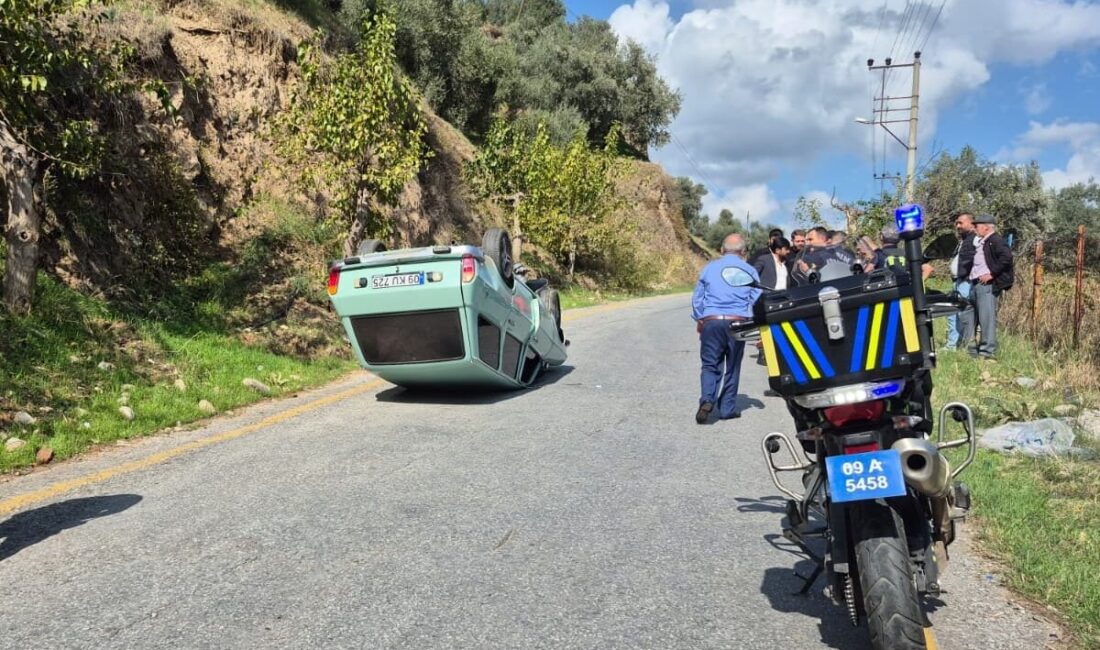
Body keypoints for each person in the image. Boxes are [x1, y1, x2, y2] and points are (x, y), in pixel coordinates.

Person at [692, 233, 761, 423]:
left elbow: (698, 297)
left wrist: (700, 318)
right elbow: (756, 295)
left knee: (709, 364)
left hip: (712, 320)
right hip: (737, 321)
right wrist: (748, 314)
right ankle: (727, 409)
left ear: (722, 250)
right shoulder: (749, 270)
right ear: (743, 252)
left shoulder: (709, 268)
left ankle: (707, 399)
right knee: (732, 366)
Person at [957, 214, 1014, 358]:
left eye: (976, 226)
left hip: (987, 285)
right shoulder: (983, 242)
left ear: (986, 227)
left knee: (986, 318)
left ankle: (987, 352)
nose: (974, 229)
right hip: (974, 284)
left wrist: (992, 273)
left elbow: (1007, 258)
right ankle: (971, 350)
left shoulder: (996, 240)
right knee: (968, 313)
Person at [943, 213, 977, 351]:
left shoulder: (976, 240)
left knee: (962, 314)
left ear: (971, 223)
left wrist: (971, 275)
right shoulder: (963, 240)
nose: (957, 226)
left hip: (965, 282)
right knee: (953, 313)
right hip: (957, 281)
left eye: (961, 223)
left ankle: (963, 344)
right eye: (956, 223)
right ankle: (953, 344)